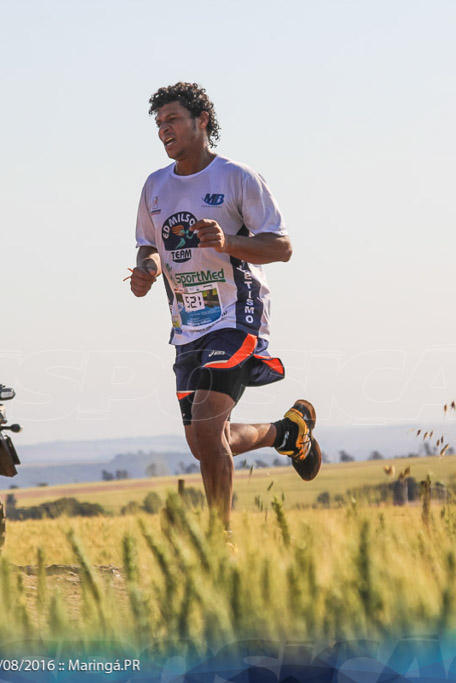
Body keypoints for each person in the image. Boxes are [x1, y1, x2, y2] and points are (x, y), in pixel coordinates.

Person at [129, 82, 321, 527]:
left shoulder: (237, 177)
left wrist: (229, 241)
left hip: (237, 315)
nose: (164, 131)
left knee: (207, 428)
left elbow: (282, 246)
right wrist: (148, 269)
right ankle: (286, 433)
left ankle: (221, 542)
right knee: (203, 441)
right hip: (187, 325)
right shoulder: (154, 186)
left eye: (173, 120)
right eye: (159, 124)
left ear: (203, 122)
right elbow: (147, 245)